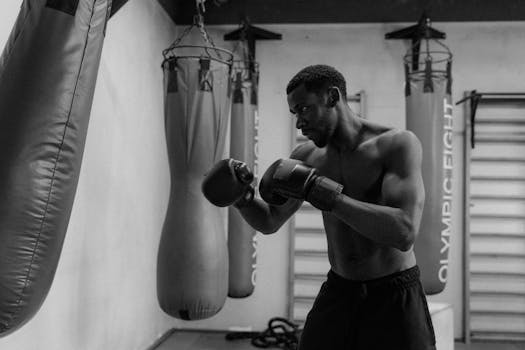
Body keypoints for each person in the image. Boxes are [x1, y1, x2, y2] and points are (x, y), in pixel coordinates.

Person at [202, 64, 436, 350]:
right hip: (340, 291)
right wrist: (243, 199)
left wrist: (324, 193)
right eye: (294, 113)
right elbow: (270, 221)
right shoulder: (306, 155)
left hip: (394, 294)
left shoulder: (395, 145)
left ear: (332, 96)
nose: (299, 122)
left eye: (304, 109)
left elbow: (404, 232)